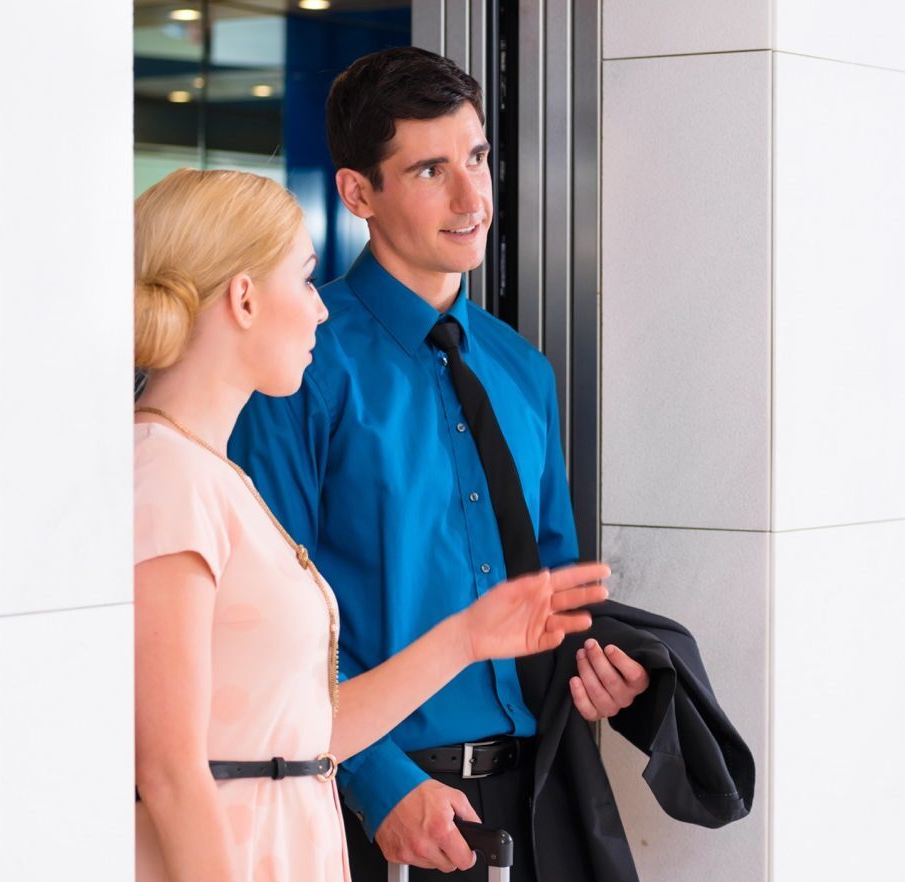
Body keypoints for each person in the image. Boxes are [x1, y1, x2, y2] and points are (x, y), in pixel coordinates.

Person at [227, 48, 663, 882]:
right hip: (377, 809)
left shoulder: (520, 370)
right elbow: (266, 619)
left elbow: (554, 586)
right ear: (359, 193)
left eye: (476, 157)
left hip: (539, 800)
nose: (473, 199)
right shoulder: (300, 370)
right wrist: (378, 783)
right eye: (430, 169)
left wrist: (599, 670)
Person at [132, 167, 611, 882]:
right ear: (242, 299)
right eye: (302, 281)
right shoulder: (168, 474)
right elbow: (169, 774)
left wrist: (469, 637)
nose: (322, 311)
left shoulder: (212, 476)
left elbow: (301, 734)